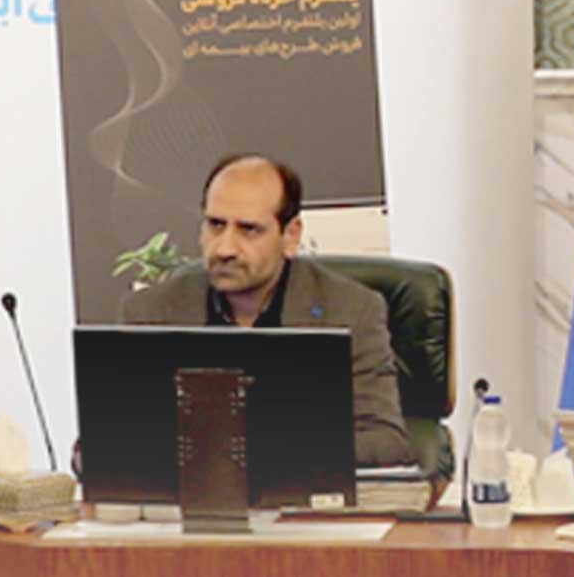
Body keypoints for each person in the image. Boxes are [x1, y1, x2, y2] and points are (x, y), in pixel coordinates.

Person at [120, 155, 413, 472]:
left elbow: (386, 441)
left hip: (302, 496)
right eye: (215, 225)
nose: (225, 249)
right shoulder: (152, 312)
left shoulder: (350, 310)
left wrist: (264, 450)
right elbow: (111, 441)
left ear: (291, 236)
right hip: (189, 498)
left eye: (248, 230)